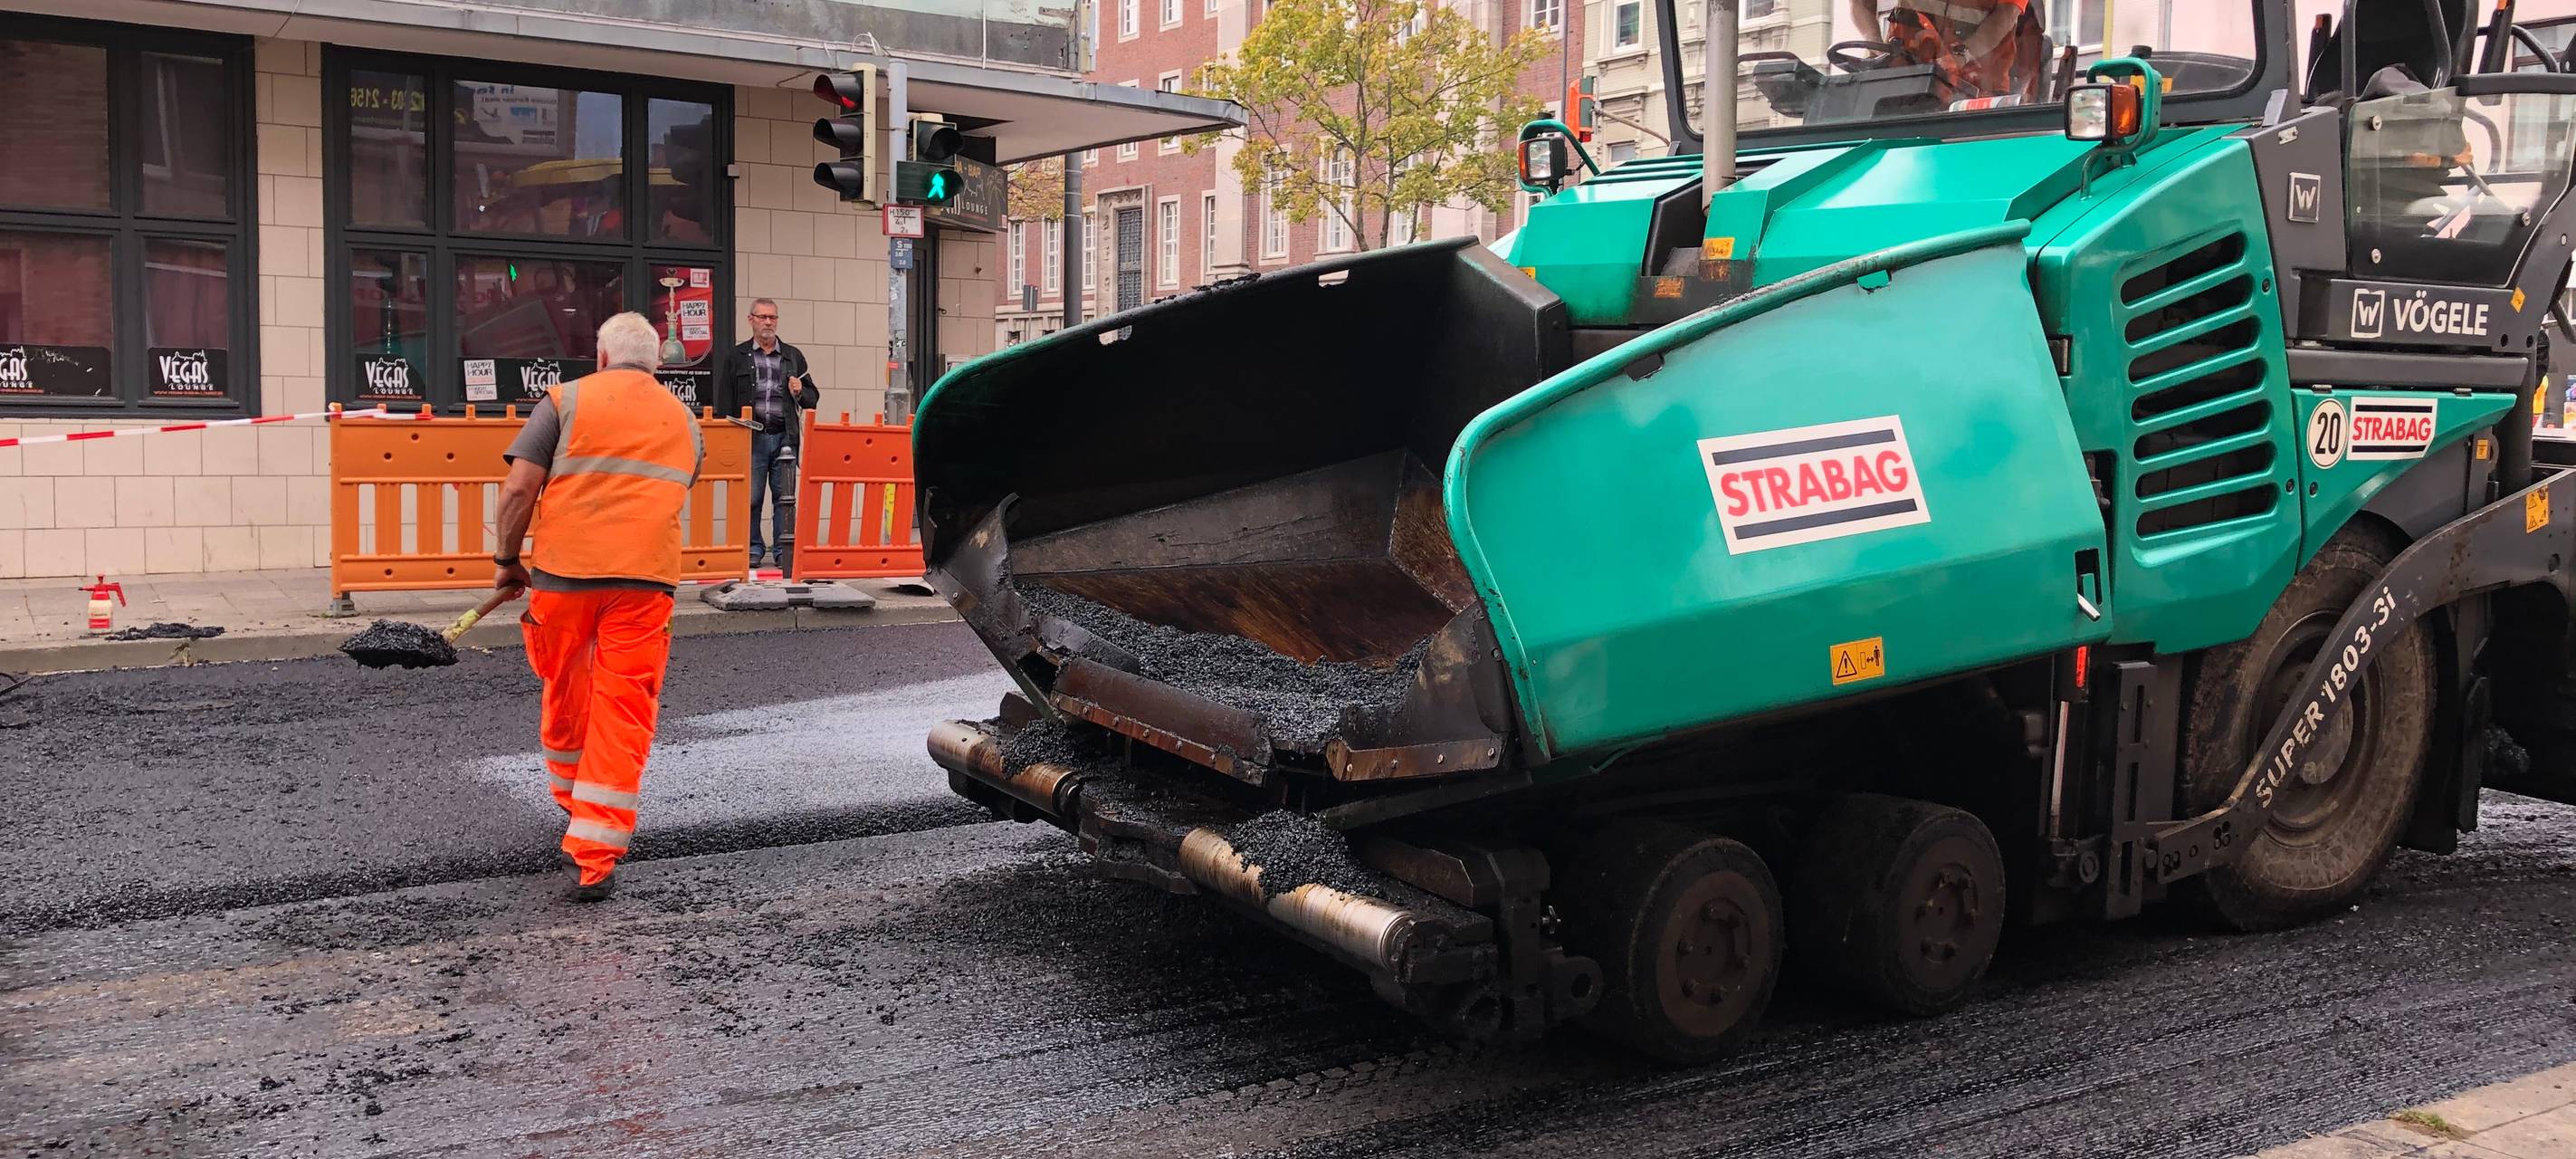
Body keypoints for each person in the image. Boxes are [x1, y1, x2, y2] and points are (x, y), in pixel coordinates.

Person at [493, 312, 704, 903]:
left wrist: (508, 561)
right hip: (644, 585)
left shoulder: (563, 401)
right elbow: (669, 491)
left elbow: (517, 491)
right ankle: (595, 854)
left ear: (602, 356)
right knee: (623, 710)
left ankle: (572, 804)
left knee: (566, 691)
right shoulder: (686, 423)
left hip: (564, 579)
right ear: (657, 364)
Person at [718, 299, 821, 572]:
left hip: (784, 437)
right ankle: (753, 549)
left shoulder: (792, 356)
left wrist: (799, 391)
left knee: (783, 497)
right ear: (750, 320)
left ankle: (782, 550)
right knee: (751, 498)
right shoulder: (736, 356)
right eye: (762, 317)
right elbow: (724, 403)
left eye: (772, 318)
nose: (768, 323)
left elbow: (813, 399)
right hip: (751, 437)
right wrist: (726, 439)